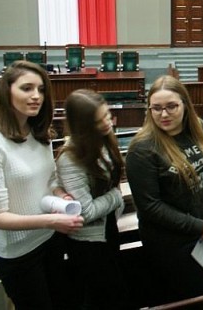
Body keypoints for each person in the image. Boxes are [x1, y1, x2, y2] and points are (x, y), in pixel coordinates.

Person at [0, 61, 82, 310]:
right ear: (7, 92)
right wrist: (50, 221)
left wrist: (62, 196)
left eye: (41, 89)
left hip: (50, 239)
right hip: (17, 253)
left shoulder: (38, 131)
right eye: (27, 88)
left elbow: (49, 180)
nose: (36, 96)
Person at [125, 75, 203, 302]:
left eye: (171, 106)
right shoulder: (142, 149)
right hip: (173, 244)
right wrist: (198, 227)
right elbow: (150, 206)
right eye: (157, 108)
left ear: (185, 105)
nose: (164, 114)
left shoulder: (200, 128)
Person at [56, 89, 129, 309]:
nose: (108, 123)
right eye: (99, 121)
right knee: (105, 296)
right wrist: (116, 197)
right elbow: (85, 212)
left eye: (107, 115)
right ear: (83, 126)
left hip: (108, 230)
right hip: (88, 243)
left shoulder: (103, 140)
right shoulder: (70, 158)